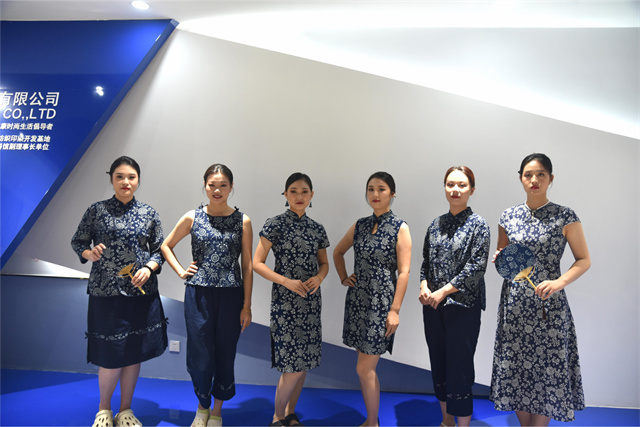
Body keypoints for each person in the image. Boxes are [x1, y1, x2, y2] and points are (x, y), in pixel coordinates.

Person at [490, 153, 591, 426]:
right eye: (528, 175)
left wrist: (559, 282)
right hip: (514, 306)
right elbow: (504, 257)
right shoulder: (507, 216)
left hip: (549, 306)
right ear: (521, 178)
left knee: (547, 372)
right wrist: (499, 257)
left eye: (541, 175)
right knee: (516, 370)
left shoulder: (565, 216)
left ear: (550, 178)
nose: (534, 180)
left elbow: (584, 260)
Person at [71, 156, 167, 427]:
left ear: (138, 180)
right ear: (112, 179)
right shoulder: (97, 210)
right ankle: (103, 410)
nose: (126, 182)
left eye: (131, 177)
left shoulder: (149, 213)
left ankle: (125, 410)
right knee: (110, 354)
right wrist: (89, 253)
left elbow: (160, 249)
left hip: (140, 292)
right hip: (106, 291)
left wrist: (149, 267)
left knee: (134, 352)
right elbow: (78, 241)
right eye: (120, 177)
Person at [161, 164, 253, 427]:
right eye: (212, 184)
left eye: (223, 185)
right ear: (205, 185)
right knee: (200, 356)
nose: (217, 190)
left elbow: (247, 265)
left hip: (231, 296)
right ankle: (202, 407)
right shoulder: (192, 217)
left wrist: (247, 305)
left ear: (231, 187)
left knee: (225, 353)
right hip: (198, 295)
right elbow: (166, 246)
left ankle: (217, 412)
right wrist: (181, 271)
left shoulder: (243, 221)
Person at [333, 171, 412, 427]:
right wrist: (344, 277)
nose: (375, 194)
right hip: (357, 301)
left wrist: (395, 310)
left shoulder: (400, 227)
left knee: (364, 369)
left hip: (381, 305)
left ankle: (372, 423)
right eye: (370, 189)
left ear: (392, 193)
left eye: (381, 189)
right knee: (366, 368)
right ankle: (372, 420)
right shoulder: (360, 225)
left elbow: (404, 272)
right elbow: (338, 252)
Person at [253, 173, 330, 427]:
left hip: (310, 302)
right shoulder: (274, 224)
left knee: (303, 362)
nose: (299, 196)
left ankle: (290, 412)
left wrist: (319, 278)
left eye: (304, 191)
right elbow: (257, 263)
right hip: (285, 303)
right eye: (294, 191)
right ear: (285, 194)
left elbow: (324, 264)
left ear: (311, 195)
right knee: (291, 365)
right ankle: (277, 416)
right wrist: (286, 281)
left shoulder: (317, 228)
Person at [419, 166, 490, 427]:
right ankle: (446, 422)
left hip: (463, 307)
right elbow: (425, 262)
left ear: (472, 189)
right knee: (439, 363)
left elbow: (476, 268)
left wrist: (443, 291)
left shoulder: (479, 225)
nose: (455, 190)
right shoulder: (435, 224)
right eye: (450, 184)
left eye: (462, 185)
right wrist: (424, 285)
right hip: (433, 307)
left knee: (459, 368)